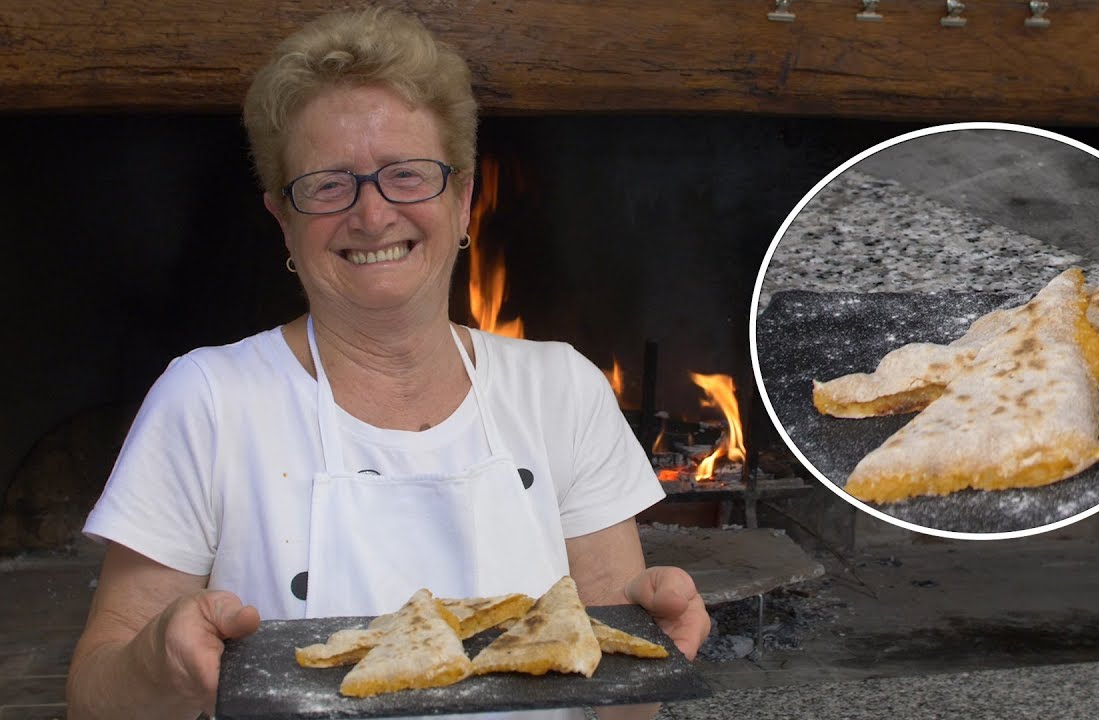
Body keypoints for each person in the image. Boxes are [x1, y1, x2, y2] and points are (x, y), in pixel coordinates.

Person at [66, 7, 710, 719]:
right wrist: (161, 668)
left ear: (463, 199)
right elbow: (96, 695)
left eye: (407, 175)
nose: (372, 216)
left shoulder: (563, 391)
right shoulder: (209, 399)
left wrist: (654, 661)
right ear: (283, 217)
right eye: (327, 185)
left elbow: (617, 704)